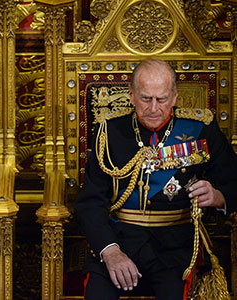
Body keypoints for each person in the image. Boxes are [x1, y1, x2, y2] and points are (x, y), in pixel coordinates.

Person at [74, 59, 237, 300]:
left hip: (177, 247)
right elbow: (90, 203)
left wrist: (218, 196)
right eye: (145, 98)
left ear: (174, 97)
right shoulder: (109, 132)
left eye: (161, 99)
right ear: (131, 96)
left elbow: (234, 182)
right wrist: (109, 251)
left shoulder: (200, 129)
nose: (153, 108)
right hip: (121, 239)